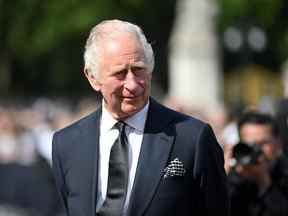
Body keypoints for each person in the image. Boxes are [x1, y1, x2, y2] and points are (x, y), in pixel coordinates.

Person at [52, 19, 229, 216]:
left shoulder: (192, 138)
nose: (133, 84)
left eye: (139, 70)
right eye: (120, 74)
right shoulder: (67, 143)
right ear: (93, 77)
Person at [237, 111, 288, 198]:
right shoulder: (237, 173)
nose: (257, 150)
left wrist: (264, 182)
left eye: (263, 143)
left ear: (278, 143)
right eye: (250, 145)